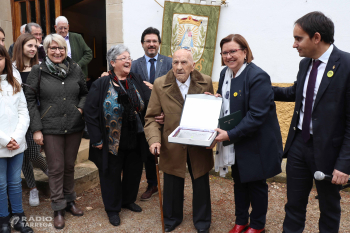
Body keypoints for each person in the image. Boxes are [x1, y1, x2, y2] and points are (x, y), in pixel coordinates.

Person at [272, 11, 350, 233]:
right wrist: (259, 90)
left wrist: (344, 164)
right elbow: (297, 93)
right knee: (294, 204)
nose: (294, 45)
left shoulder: (346, 65)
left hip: (328, 151)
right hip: (299, 145)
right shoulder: (306, 64)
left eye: (298, 39)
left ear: (316, 37)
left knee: (329, 208)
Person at [210, 34, 283, 233]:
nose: (228, 56)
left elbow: (256, 116)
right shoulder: (225, 73)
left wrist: (229, 135)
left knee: (256, 184)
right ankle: (241, 221)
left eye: (233, 51)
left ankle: (257, 225)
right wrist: (215, 100)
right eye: (225, 52)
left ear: (244, 52)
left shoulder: (258, 76)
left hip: (256, 141)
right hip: (236, 139)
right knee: (239, 181)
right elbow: (226, 101)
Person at [144, 49, 214, 233]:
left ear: (193, 66)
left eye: (184, 62)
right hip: (172, 143)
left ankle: (202, 221)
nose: (179, 67)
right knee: (173, 182)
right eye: (175, 62)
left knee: (201, 183)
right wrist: (154, 140)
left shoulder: (205, 81)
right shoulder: (160, 84)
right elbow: (151, 118)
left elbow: (211, 112)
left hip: (198, 145)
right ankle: (172, 218)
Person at [24, 34, 87, 229]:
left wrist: (80, 109)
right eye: (53, 48)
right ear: (46, 50)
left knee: (69, 166)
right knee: (56, 167)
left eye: (61, 48)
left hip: (74, 125)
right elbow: (30, 100)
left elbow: (85, 92)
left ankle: (70, 201)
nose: (57, 52)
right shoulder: (38, 70)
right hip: (50, 127)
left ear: (65, 49)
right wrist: (36, 129)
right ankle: (58, 207)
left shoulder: (75, 68)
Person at [84, 44, 151, 227]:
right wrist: (96, 138)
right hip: (111, 138)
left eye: (129, 57)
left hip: (135, 135)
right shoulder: (101, 83)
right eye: (124, 58)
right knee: (111, 174)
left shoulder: (136, 78)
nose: (128, 60)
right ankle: (112, 209)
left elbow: (149, 98)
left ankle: (127, 200)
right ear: (113, 63)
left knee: (134, 170)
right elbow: (90, 113)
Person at [130, 27, 172, 201]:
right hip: (144, 117)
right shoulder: (134, 64)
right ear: (142, 44)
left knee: (171, 152)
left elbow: (176, 89)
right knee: (148, 153)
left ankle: (171, 187)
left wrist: (157, 90)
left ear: (159, 43)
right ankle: (152, 184)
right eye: (148, 41)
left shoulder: (170, 63)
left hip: (168, 114)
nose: (151, 44)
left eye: (154, 41)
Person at [0, 45, 34, 233]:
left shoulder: (14, 83)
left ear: (5, 59)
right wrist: (6, 140)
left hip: (17, 143)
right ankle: (3, 219)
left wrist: (18, 137)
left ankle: (18, 218)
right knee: (0, 184)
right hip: (1, 144)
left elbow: (23, 112)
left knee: (15, 182)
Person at [12, 33, 48, 207]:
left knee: (33, 153)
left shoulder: (40, 68)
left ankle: (51, 172)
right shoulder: (11, 69)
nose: (34, 49)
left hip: (35, 117)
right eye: (30, 46)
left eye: (35, 46)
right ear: (21, 47)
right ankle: (33, 188)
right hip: (16, 119)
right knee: (23, 155)